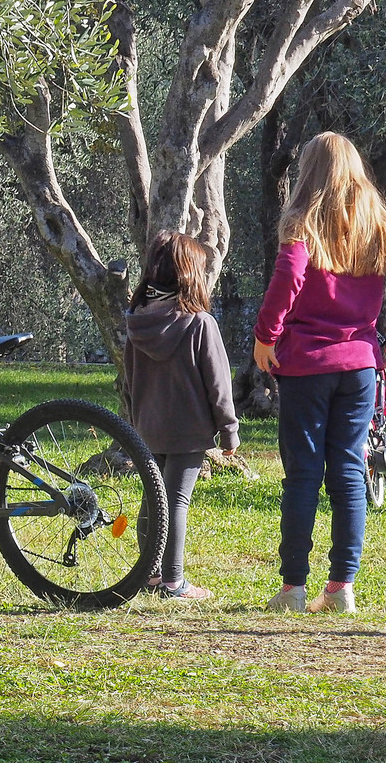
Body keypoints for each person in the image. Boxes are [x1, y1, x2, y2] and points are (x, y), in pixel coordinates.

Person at [253, 132, 386, 614]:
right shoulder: (375, 226)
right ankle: (341, 589)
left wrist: (265, 336)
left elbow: (289, 275)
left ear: (308, 173)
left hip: (306, 368)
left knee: (302, 475)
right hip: (358, 367)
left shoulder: (300, 224)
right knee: (350, 474)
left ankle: (293, 589)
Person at [123, 232, 238, 602]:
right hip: (188, 429)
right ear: (192, 274)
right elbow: (218, 384)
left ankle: (149, 574)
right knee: (175, 502)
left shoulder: (137, 323)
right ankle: (173, 583)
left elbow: (128, 379)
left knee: (151, 499)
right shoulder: (200, 324)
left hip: (147, 426)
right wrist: (229, 430)